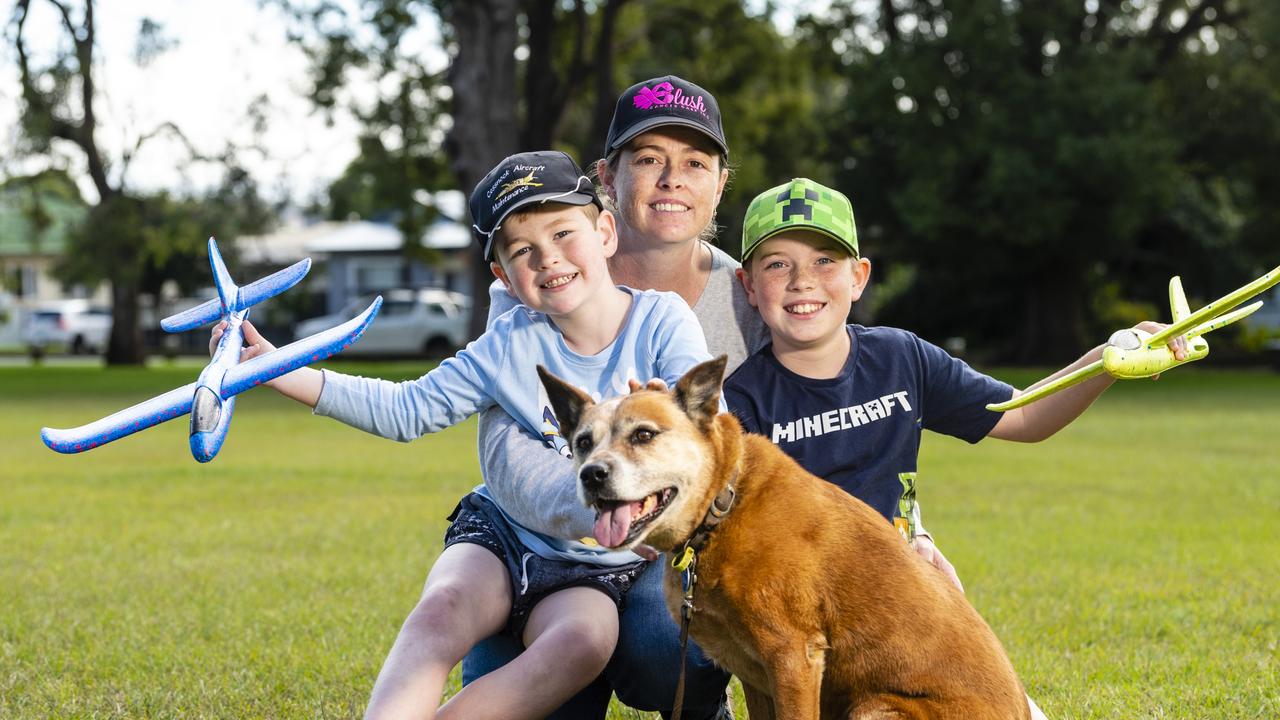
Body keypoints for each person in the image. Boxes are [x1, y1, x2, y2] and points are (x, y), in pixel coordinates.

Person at [468, 75, 961, 718]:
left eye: (694, 163)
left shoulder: (753, 294)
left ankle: (699, 705)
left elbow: (825, 419)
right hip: (553, 540)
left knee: (672, 646)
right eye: (647, 160)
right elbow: (504, 454)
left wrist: (901, 531)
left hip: (684, 547)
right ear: (606, 180)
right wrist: (595, 509)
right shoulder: (548, 277)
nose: (672, 179)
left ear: (720, 183)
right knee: (514, 683)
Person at [214, 150, 715, 720]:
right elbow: (407, 408)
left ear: (604, 231)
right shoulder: (507, 344)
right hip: (501, 537)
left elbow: (691, 416)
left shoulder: (662, 319)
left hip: (597, 568)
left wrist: (666, 409)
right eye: (522, 250)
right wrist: (278, 368)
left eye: (562, 232)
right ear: (503, 276)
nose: (548, 257)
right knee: (441, 608)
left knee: (584, 643)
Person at [720, 177, 1188, 720]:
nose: (803, 281)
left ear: (858, 276)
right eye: (777, 264)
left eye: (825, 259)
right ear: (749, 285)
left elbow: (1026, 415)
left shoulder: (901, 358)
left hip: (906, 601)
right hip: (811, 617)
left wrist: (1107, 358)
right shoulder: (740, 399)